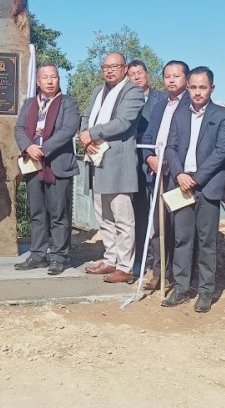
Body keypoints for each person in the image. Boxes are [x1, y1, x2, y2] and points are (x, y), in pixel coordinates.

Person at [161, 66, 225, 312]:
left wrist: (197, 178)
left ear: (211, 88)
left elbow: (222, 151)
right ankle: (181, 287)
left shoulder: (223, 115)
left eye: (203, 87)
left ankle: (205, 291)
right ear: (188, 87)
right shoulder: (179, 115)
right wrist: (180, 174)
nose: (197, 92)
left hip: (208, 186)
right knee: (182, 239)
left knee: (206, 241)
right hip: (181, 185)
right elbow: (171, 146)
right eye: (193, 87)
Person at [79, 52, 145, 284]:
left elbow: (123, 122)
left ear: (125, 68)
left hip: (118, 163)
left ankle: (125, 266)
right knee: (104, 215)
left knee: (123, 217)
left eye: (114, 66)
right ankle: (110, 259)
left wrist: (92, 134)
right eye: (105, 66)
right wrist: (85, 137)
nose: (109, 71)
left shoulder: (133, 92)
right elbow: (86, 116)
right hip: (97, 160)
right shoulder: (98, 91)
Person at [13, 63, 80, 275]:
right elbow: (20, 128)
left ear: (59, 80)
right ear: (38, 81)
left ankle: (60, 257)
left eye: (54, 77)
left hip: (58, 164)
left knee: (59, 214)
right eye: (46, 77)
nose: (50, 81)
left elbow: (68, 129)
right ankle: (38, 255)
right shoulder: (30, 103)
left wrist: (42, 149)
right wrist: (28, 146)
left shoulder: (68, 103)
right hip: (34, 166)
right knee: (37, 213)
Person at [139, 60, 189, 291]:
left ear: (186, 79)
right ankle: (159, 273)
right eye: (167, 76)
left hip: (179, 174)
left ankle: (182, 277)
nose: (171, 80)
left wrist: (171, 163)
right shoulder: (160, 105)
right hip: (157, 173)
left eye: (176, 76)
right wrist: (149, 157)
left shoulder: (192, 104)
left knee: (180, 229)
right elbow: (148, 136)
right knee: (159, 227)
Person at [128, 59, 165, 268]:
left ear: (147, 75)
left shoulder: (161, 99)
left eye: (139, 72)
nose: (136, 77)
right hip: (134, 162)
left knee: (159, 212)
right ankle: (142, 257)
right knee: (139, 211)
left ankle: (161, 257)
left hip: (157, 160)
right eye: (132, 74)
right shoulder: (125, 99)